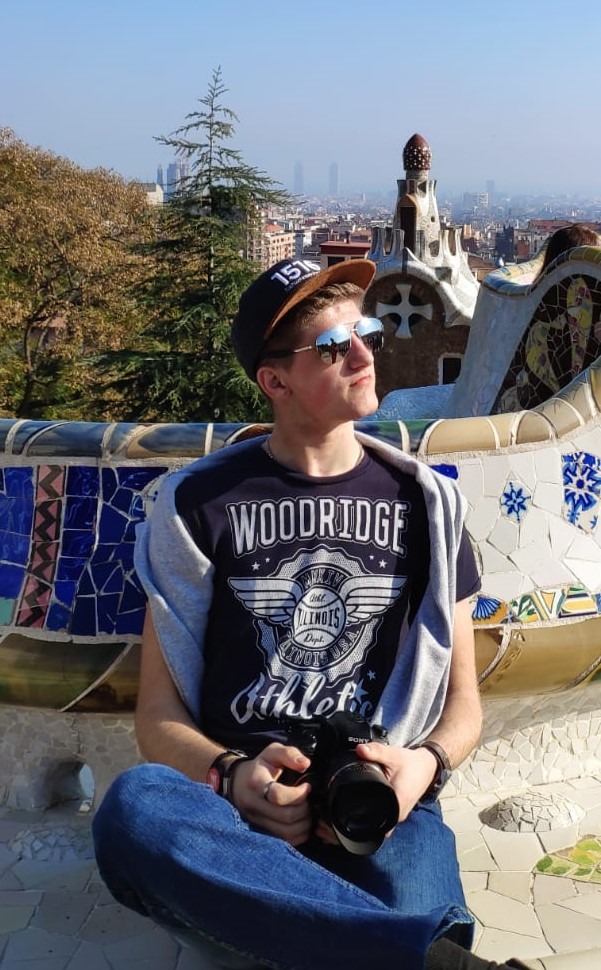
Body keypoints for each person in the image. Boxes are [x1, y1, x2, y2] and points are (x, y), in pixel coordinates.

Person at [92, 257, 531, 970]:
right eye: (332, 347)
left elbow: (463, 706)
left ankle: (344, 941)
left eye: (366, 333)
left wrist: (421, 767)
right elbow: (157, 718)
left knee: (406, 926)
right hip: (237, 813)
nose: (364, 355)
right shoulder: (196, 505)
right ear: (275, 382)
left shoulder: (428, 504)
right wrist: (232, 775)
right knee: (135, 808)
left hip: (379, 800)